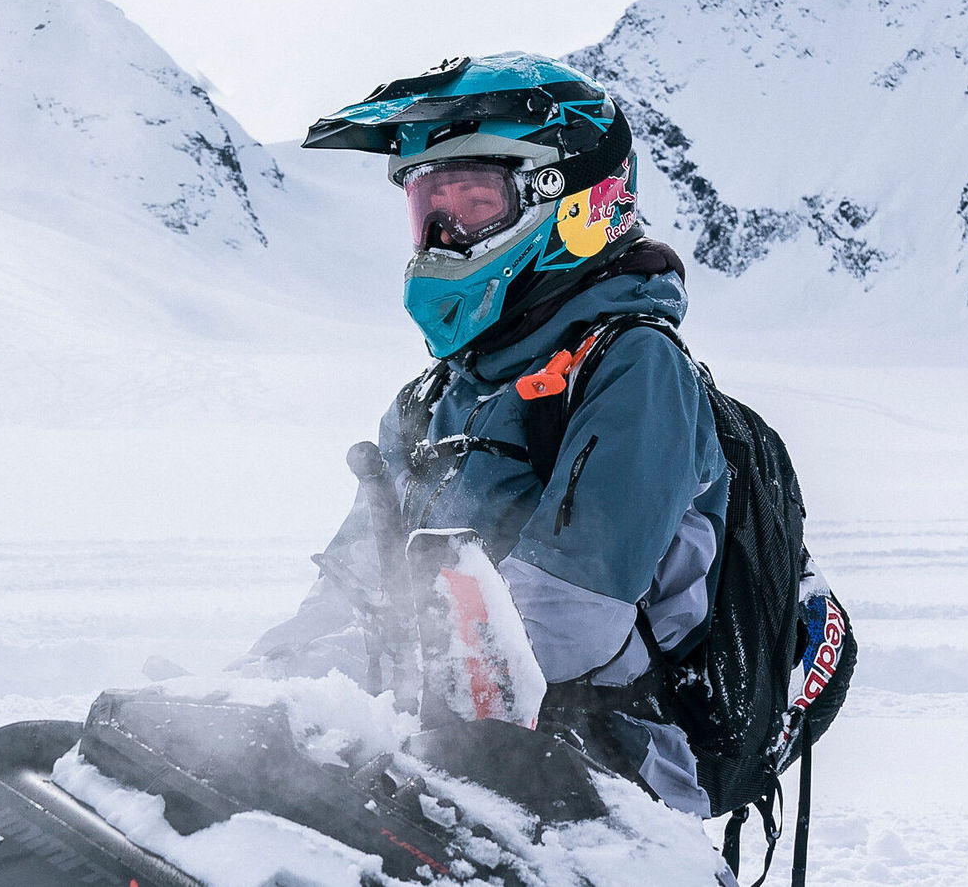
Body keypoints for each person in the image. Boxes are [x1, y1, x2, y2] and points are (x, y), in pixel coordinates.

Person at [241, 53, 729, 821]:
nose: (441, 232)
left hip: (603, 776)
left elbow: (563, 619)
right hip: (444, 746)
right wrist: (260, 692)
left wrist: (373, 706)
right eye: (427, 206)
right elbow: (351, 590)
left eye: (472, 203)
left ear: (566, 201)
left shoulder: (636, 369)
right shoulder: (439, 395)